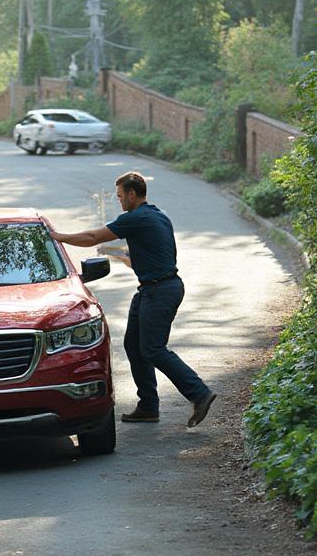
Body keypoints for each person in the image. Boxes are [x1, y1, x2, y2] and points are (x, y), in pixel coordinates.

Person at [48, 172, 216, 427]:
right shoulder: (158, 215)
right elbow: (146, 257)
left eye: (120, 196)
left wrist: (59, 237)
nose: (119, 201)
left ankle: (199, 393)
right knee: (134, 345)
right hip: (153, 288)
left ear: (132, 194)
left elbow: (94, 237)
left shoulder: (135, 218)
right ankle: (148, 405)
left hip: (160, 290)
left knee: (153, 349)